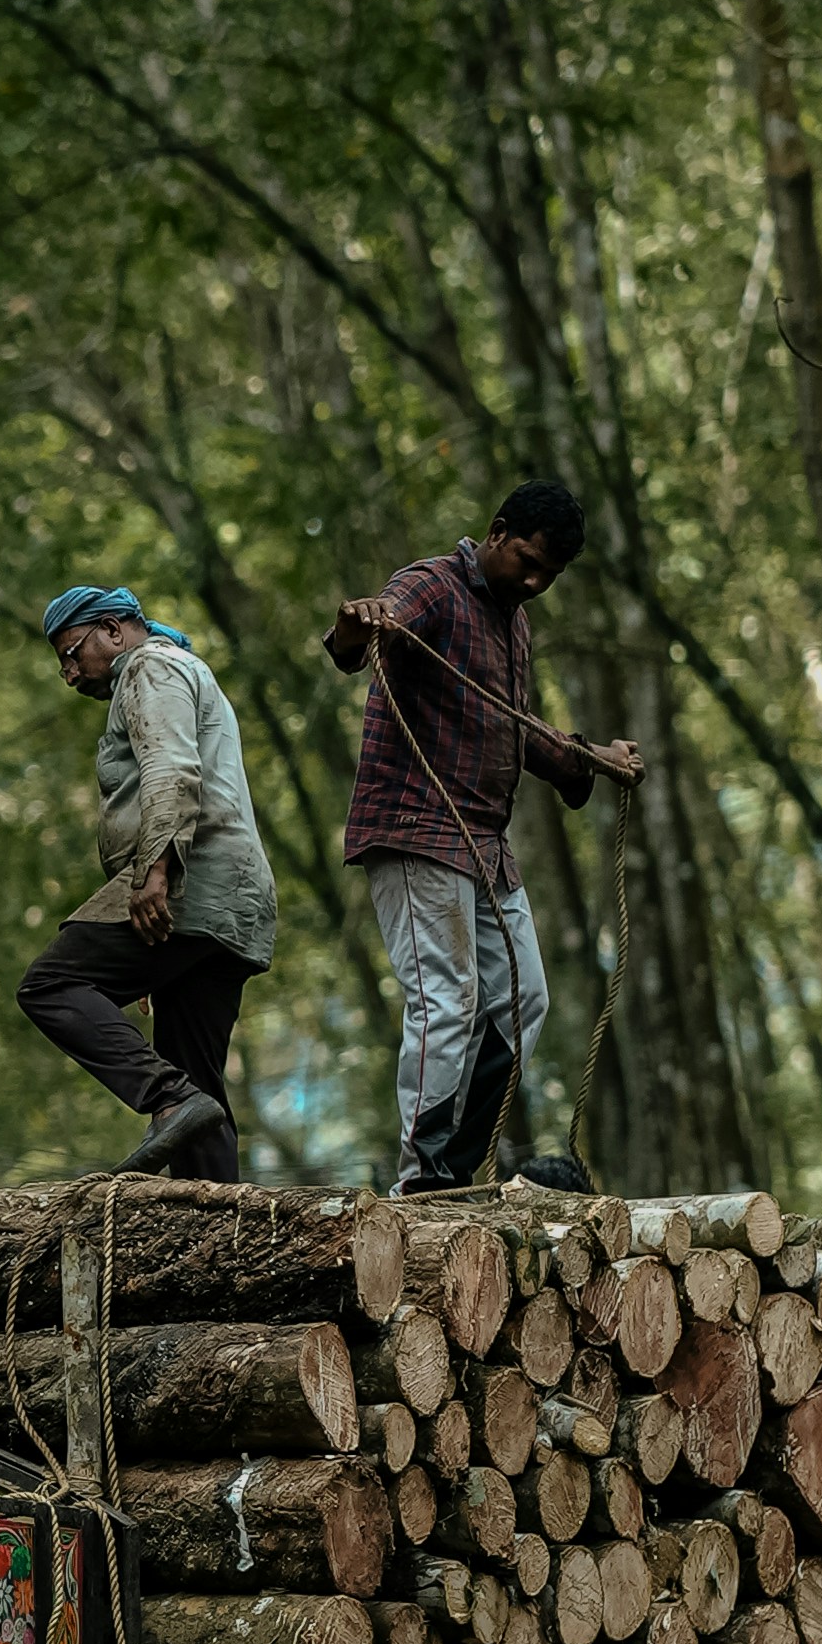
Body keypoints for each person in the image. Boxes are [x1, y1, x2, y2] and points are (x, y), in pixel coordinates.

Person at [324, 478, 640, 1194]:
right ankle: (422, 1179)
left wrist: (593, 760)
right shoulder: (432, 585)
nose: (534, 582)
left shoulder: (514, 624)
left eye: (548, 575)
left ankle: (456, 1168)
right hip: (418, 829)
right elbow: (366, 632)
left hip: (486, 847)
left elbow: (517, 728)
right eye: (527, 561)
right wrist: (356, 625)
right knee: (446, 998)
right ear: (497, 532)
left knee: (525, 999)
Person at [16, 582, 282, 1183]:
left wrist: (155, 874)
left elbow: (170, 767)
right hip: (234, 907)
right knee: (200, 1085)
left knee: (50, 986)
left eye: (71, 652)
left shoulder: (149, 667)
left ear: (113, 630)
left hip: (193, 881)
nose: (69, 673)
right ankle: (216, 1225)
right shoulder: (181, 670)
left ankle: (165, 1098)